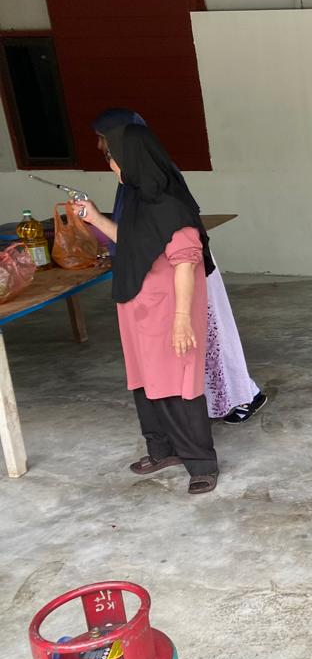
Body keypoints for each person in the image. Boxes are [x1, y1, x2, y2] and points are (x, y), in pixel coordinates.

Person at [91, 109, 267, 425]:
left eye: (110, 150)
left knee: (210, 337)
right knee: (190, 349)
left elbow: (173, 233)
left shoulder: (154, 176)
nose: (109, 160)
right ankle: (212, 403)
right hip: (166, 272)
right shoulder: (130, 180)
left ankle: (243, 394)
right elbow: (135, 233)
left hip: (187, 268)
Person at [76, 124, 219, 494]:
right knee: (145, 380)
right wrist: (95, 218)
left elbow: (185, 262)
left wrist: (182, 320)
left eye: (113, 157)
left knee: (178, 383)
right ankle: (162, 449)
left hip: (170, 310)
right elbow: (133, 242)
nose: (111, 165)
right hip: (138, 308)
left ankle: (201, 463)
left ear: (132, 159)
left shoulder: (171, 205)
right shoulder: (138, 199)